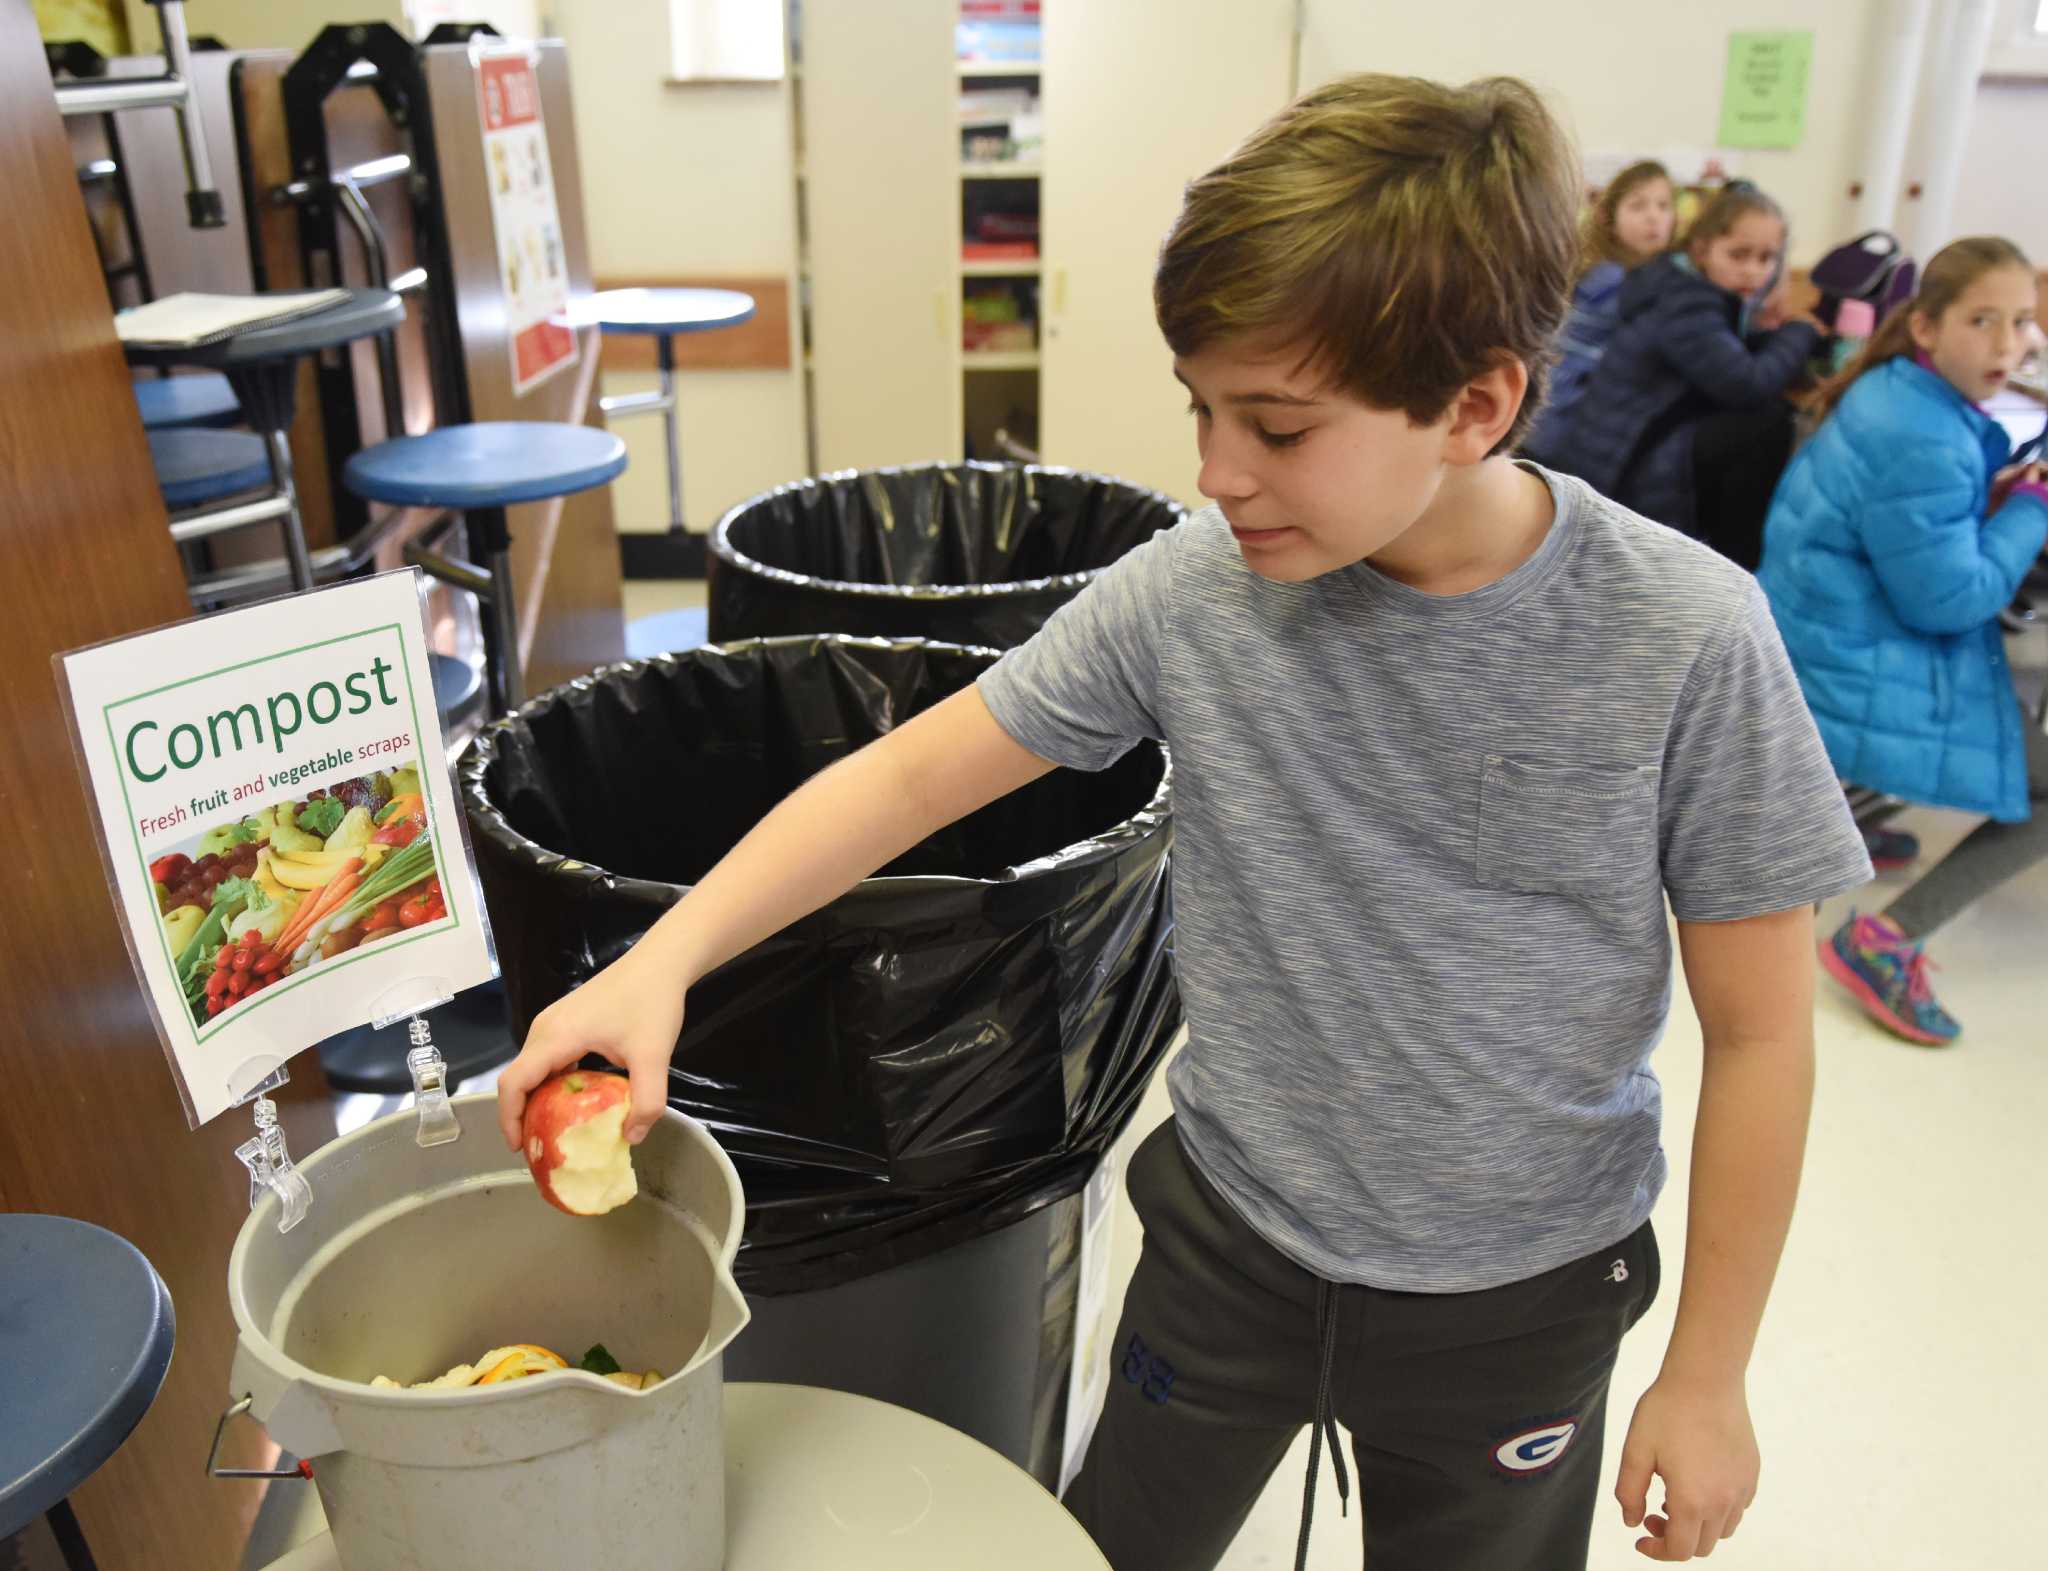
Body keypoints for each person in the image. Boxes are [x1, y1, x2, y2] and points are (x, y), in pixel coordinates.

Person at [497, 74, 1871, 1571]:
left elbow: (1759, 1030)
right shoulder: (1198, 588)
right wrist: (664, 958)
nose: (1217, 474)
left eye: (1278, 426)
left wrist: (1710, 1366)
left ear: (1476, 404)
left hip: (1519, 1296)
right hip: (1229, 1248)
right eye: (1202, 410)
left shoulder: (1685, 634)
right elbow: (903, 778)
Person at [1757, 236, 2048, 1046]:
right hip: (1852, 657)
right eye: (1982, 320)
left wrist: (2003, 494)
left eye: (2023, 321)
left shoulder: (1905, 393)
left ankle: (1847, 815)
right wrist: (2033, 505)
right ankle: (1884, 942)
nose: (2008, 343)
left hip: (1824, 632)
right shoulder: (1926, 433)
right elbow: (1952, 601)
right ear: (1927, 328)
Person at [1555, 184, 1823, 568]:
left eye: (1767, 258)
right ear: (1702, 249)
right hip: (1621, 466)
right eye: (1738, 254)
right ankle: (1739, 567)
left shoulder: (1687, 287)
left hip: (1635, 441)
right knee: (1767, 423)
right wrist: (1800, 333)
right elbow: (1748, 384)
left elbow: (1731, 351)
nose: (1753, 270)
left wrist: (1783, 339)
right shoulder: (1687, 303)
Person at [1522, 159, 1676, 462]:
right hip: (1567, 420)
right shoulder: (1611, 278)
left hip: (1558, 419)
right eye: (1638, 206)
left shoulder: (1643, 275)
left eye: (1663, 206)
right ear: (1610, 219)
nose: (1654, 217)